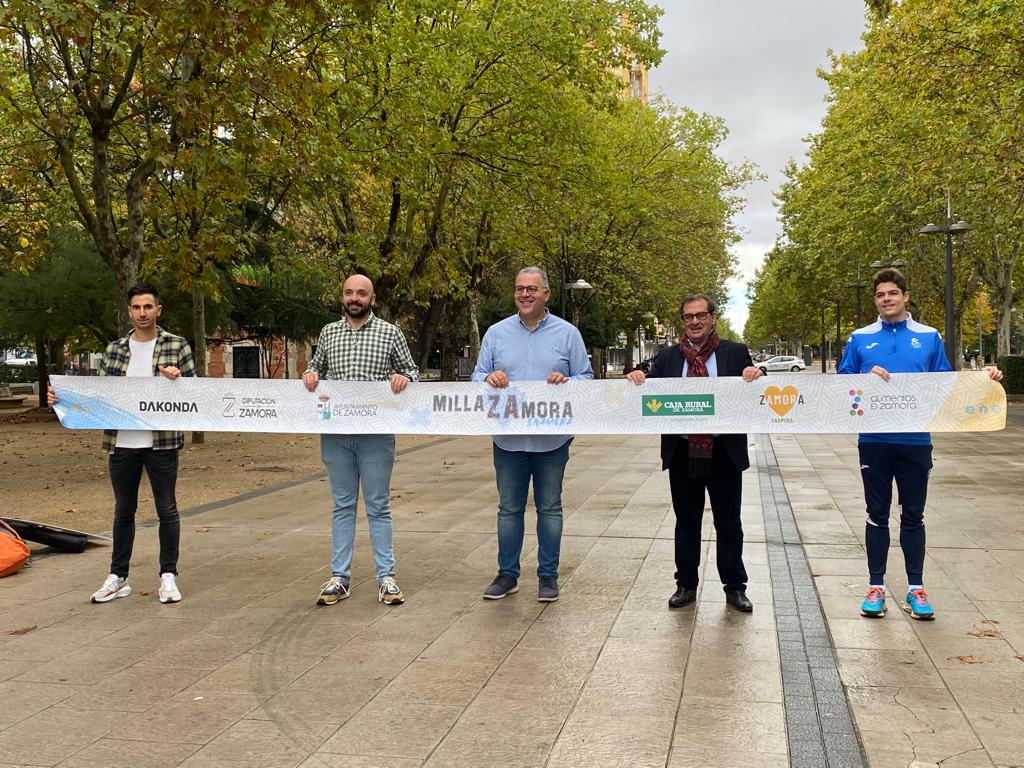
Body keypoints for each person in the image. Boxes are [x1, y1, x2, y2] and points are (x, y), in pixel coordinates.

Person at [839, 268, 1003, 620]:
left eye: (893, 293)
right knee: (876, 515)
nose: (887, 299)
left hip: (916, 439)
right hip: (874, 439)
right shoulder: (859, 338)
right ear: (875, 300)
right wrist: (863, 378)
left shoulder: (928, 337)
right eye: (881, 294)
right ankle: (876, 587)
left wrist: (983, 380)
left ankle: (916, 589)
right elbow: (841, 383)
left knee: (913, 515)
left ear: (905, 296)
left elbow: (945, 382)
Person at [48, 283, 196, 604]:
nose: (143, 313)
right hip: (122, 442)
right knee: (123, 511)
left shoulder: (178, 346)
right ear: (129, 311)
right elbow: (101, 395)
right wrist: (63, 399)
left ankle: (167, 576)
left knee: (166, 509)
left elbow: (195, 396)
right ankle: (118, 576)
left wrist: (178, 380)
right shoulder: (115, 350)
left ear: (159, 309)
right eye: (137, 308)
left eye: (148, 307)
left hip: (162, 443)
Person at [626, 293, 763, 612]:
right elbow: (650, 386)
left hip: (723, 451)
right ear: (682, 322)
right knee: (686, 521)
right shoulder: (668, 357)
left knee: (729, 523)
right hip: (683, 451)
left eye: (701, 315)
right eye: (688, 317)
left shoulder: (735, 352)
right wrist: (638, 377)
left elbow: (757, 384)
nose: (695, 322)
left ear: (713, 317)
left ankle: (734, 587)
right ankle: (685, 584)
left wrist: (757, 374)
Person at [472, 267, 593, 602]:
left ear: (546, 294)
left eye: (531, 289)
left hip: (552, 440)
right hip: (507, 439)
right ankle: (507, 574)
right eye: (519, 289)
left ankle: (548, 577)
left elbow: (586, 378)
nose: (524, 295)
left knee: (549, 507)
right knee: (509, 509)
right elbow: (476, 376)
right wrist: (488, 378)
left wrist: (567, 383)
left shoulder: (568, 334)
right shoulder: (495, 333)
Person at [303, 274, 419, 607]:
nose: (355, 298)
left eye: (362, 293)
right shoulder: (328, 333)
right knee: (342, 506)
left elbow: (412, 370)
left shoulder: (390, 333)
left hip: (376, 435)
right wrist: (311, 374)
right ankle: (339, 578)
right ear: (343, 297)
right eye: (349, 292)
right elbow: (315, 367)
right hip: (337, 434)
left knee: (378, 506)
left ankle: (387, 578)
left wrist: (404, 376)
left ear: (373, 299)